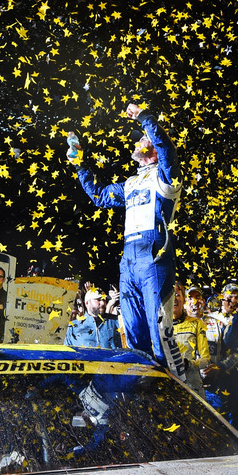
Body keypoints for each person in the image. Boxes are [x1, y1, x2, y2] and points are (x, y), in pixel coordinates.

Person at [68, 103, 185, 381]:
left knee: (159, 331)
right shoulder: (130, 183)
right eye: (140, 140)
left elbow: (167, 148)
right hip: (128, 262)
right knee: (133, 332)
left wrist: (145, 119)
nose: (141, 142)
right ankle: (144, 388)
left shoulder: (166, 175)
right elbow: (99, 196)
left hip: (154, 258)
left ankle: (174, 386)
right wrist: (80, 164)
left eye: (145, 140)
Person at [202, 283, 238, 437]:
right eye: (229, 297)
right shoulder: (210, 320)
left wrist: (221, 367)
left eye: (236, 297)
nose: (232, 300)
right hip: (214, 380)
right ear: (222, 298)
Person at [173, 283, 210, 395]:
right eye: (169, 295)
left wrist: (188, 364)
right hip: (169, 387)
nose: (173, 298)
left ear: (184, 300)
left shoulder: (196, 323)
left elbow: (206, 359)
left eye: (177, 294)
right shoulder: (158, 325)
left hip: (192, 387)